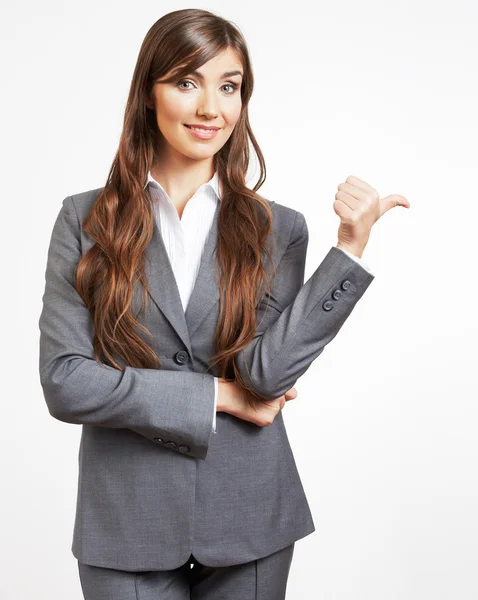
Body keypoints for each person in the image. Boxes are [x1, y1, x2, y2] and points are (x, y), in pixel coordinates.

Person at [38, 8, 409, 599]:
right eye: (187, 81)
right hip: (126, 519)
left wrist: (349, 249)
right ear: (148, 93)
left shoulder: (276, 229)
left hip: (251, 512)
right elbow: (65, 381)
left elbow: (266, 375)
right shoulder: (84, 220)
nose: (211, 106)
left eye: (229, 86)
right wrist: (221, 395)